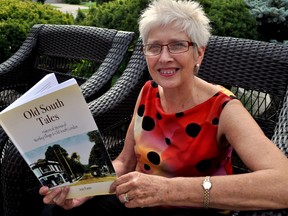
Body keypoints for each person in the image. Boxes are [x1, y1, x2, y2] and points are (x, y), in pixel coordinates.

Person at [39, 0, 288, 215]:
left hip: (192, 211)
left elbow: (283, 184)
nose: (164, 57)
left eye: (178, 45)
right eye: (154, 47)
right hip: (140, 205)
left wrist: (167, 190)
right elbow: (125, 162)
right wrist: (85, 188)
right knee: (56, 209)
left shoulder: (224, 108)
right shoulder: (148, 92)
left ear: (199, 54)